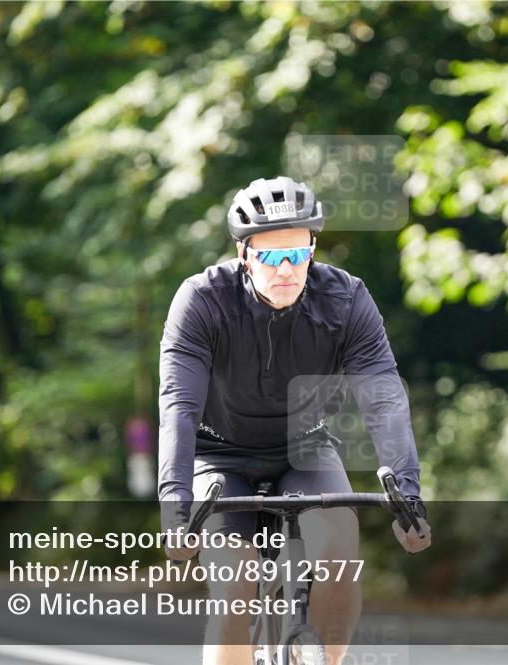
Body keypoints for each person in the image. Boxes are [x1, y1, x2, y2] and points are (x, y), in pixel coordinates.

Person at [157, 176, 432, 665]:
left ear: (313, 248)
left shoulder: (346, 299)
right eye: (269, 256)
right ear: (244, 253)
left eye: (297, 254)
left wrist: (408, 493)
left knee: (340, 556)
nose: (286, 270)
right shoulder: (201, 301)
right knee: (233, 584)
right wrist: (175, 507)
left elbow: (384, 397)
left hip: (304, 448)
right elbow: (178, 404)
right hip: (219, 455)